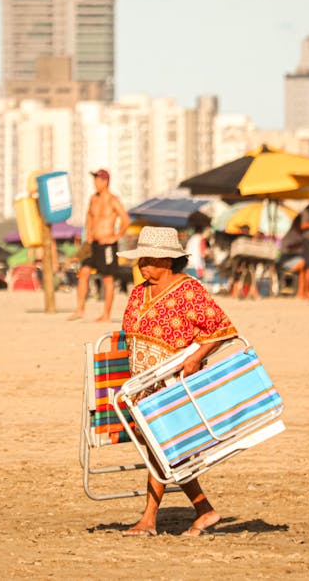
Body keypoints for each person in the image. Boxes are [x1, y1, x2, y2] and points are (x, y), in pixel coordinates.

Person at [117, 226, 238, 536]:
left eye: (151, 260)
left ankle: (149, 519)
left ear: (169, 261)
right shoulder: (139, 292)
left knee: (163, 450)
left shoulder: (189, 290)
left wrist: (195, 357)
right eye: (141, 260)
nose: (143, 266)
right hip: (142, 387)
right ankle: (204, 510)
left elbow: (223, 329)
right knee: (167, 452)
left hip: (172, 387)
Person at [68, 169, 129, 322]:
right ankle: (80, 310)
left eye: (97, 180)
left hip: (107, 245)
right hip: (93, 243)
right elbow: (89, 216)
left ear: (105, 181)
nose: (95, 183)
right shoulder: (93, 199)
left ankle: (106, 315)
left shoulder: (113, 200)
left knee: (108, 279)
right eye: (94, 180)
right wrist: (88, 233)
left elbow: (126, 220)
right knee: (83, 272)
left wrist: (115, 237)